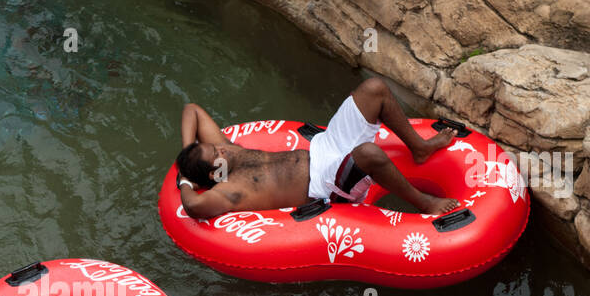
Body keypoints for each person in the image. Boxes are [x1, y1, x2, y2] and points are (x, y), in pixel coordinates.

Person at [174, 77, 459, 219]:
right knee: (370, 154)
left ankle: (419, 148)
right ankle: (424, 203)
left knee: (374, 88)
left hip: (326, 145)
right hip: (325, 183)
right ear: (214, 176)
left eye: (215, 148)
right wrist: (186, 181)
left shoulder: (228, 153)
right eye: (216, 156)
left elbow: (192, 111)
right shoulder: (229, 190)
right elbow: (194, 206)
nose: (221, 150)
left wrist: (188, 153)